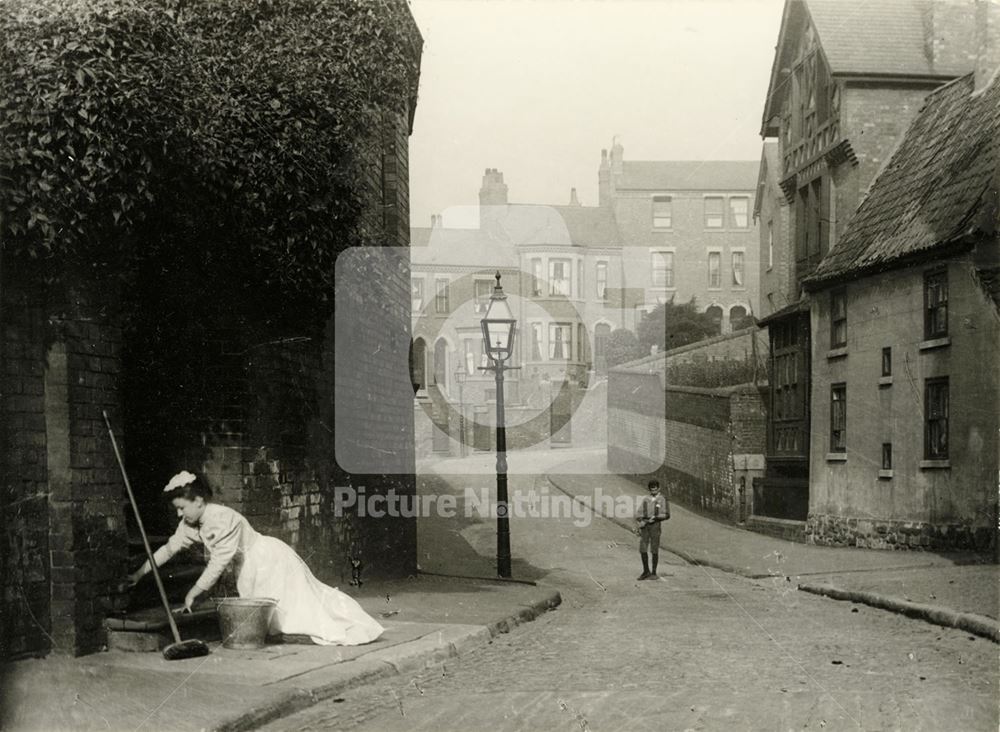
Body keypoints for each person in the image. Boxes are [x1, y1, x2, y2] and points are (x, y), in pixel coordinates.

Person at [129, 470, 384, 646]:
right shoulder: (190, 524)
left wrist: (194, 591)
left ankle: (337, 625)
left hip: (267, 560)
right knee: (279, 614)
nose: (179, 514)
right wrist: (140, 572)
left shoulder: (220, 518)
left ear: (198, 501)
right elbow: (169, 549)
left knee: (298, 608)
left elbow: (219, 560)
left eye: (182, 507)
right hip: (250, 566)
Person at [635, 479, 669, 580]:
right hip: (645, 526)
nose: (653, 492)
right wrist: (641, 520)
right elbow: (639, 512)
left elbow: (667, 514)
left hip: (655, 526)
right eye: (651, 490)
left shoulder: (663, 499)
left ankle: (654, 572)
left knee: (654, 548)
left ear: (659, 488)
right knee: (643, 548)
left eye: (655, 490)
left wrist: (656, 518)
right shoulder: (646, 499)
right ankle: (646, 571)